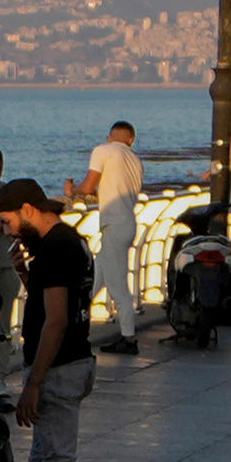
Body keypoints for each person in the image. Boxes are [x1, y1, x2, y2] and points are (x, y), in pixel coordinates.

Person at [0, 180, 96, 462]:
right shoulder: (72, 242)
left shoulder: (55, 249)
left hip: (59, 366)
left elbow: (56, 319)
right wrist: (25, 273)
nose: (8, 231)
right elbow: (62, 300)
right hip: (74, 361)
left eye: (8, 221)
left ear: (27, 209)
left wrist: (34, 381)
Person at [82, 118, 146, 353]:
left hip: (113, 225)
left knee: (118, 286)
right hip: (127, 222)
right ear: (131, 139)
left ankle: (129, 339)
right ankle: (76, 325)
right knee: (95, 279)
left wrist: (72, 190)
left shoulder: (103, 150)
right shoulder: (135, 160)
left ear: (110, 137)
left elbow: (88, 187)